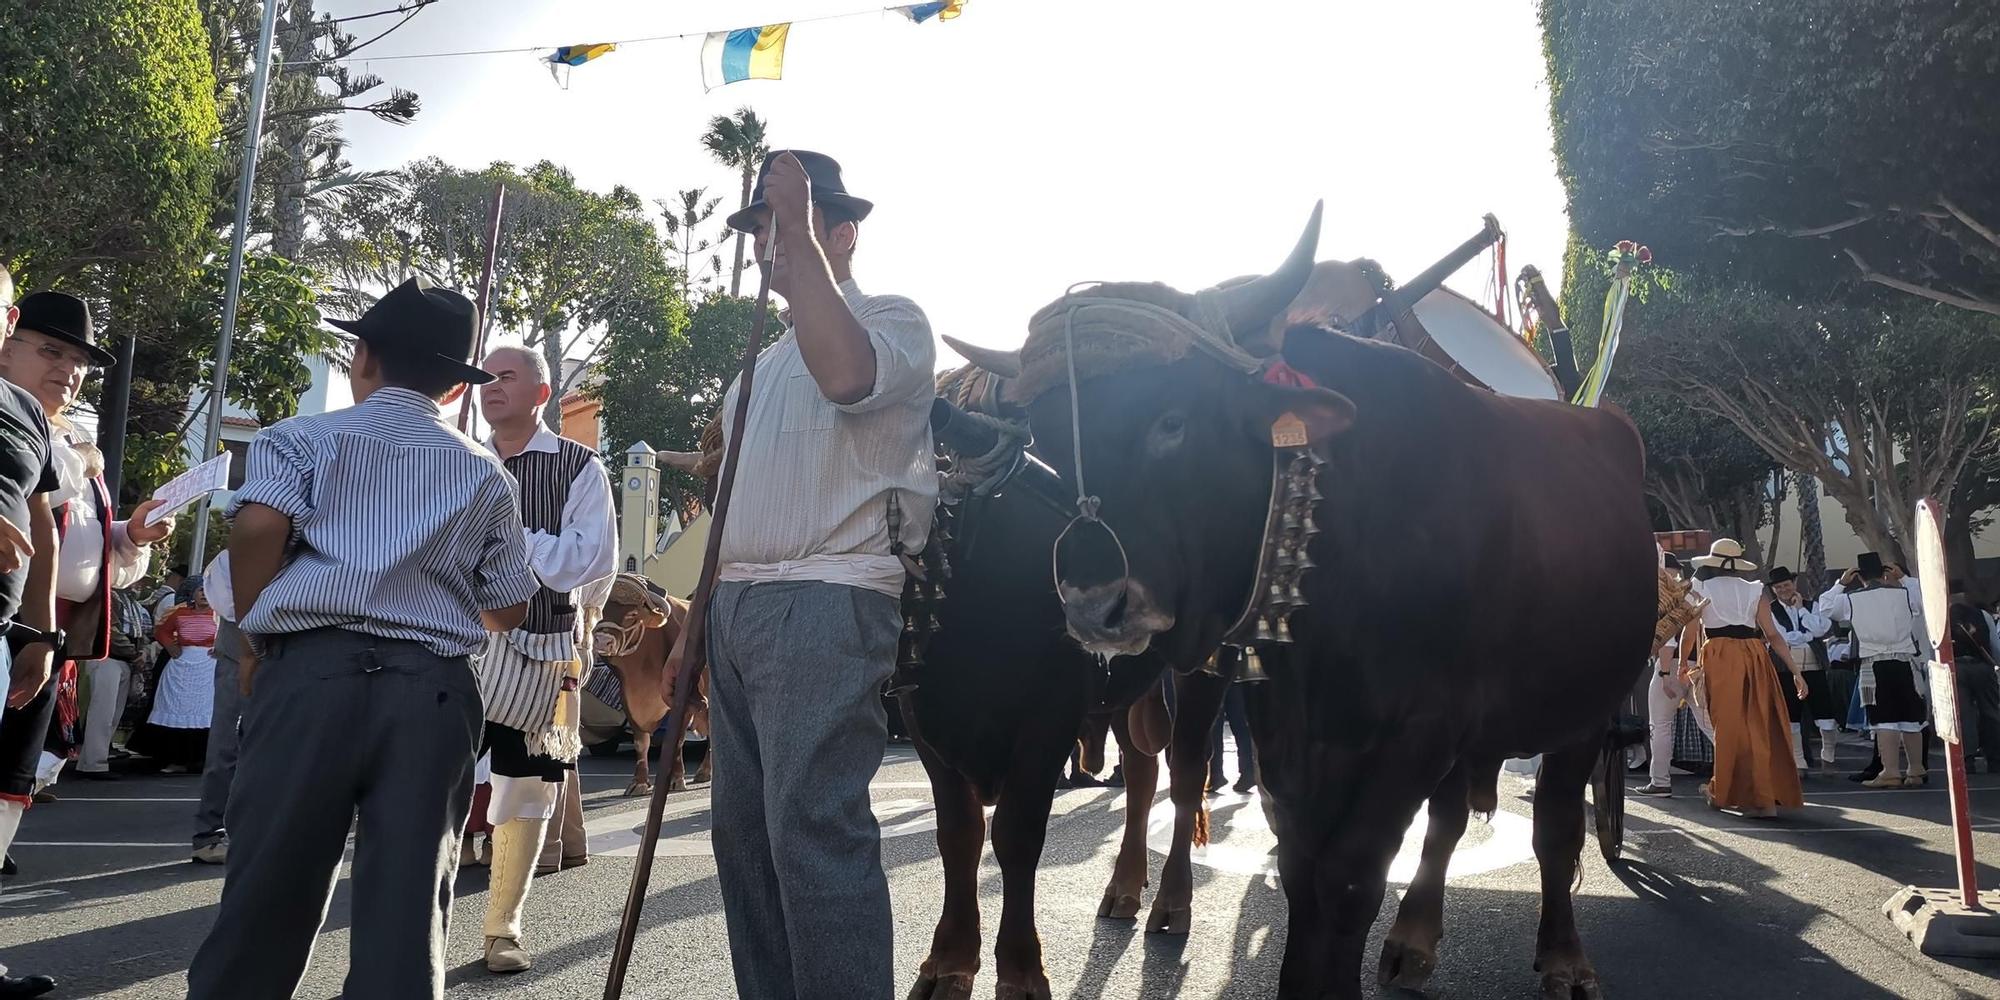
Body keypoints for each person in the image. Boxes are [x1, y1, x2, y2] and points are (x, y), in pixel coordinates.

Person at [185, 277, 535, 1000]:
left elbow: (257, 526)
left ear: (364, 356)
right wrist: (435, 594)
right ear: (453, 388)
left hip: (309, 670)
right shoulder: (485, 472)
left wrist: (253, 633)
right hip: (431, 688)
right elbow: (509, 605)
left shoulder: (299, 438)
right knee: (408, 902)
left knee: (269, 888)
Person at [670, 149, 937, 1000]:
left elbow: (849, 377)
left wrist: (799, 233)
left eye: (787, 222)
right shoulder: (754, 369)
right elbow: (731, 505)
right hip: (737, 605)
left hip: (829, 595)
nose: (768, 242)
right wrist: (694, 619)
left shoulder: (893, 320)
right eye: (759, 228)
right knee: (744, 840)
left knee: (812, 832)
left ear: (843, 234)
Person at [467, 345, 616, 974]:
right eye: (485, 377)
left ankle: (503, 925)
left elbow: (586, 560)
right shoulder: (461, 457)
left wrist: (502, 538)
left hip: (542, 647)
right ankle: (420, 923)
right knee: (434, 777)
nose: (491, 386)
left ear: (542, 392)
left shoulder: (581, 466)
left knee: (527, 784)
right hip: (458, 641)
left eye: (507, 376)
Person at [0, 292, 173, 802]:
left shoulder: (73, 438)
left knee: (16, 779)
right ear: (7, 341)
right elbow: (33, 501)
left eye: (79, 361)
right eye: (51, 351)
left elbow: (77, 544)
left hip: (55, 629)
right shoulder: (42, 437)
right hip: (17, 616)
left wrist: (129, 536)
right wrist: (77, 462)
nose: (70, 370)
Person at [0, 264, 67, 998]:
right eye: (54, 351)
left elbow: (43, 528)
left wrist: (41, 636)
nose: (68, 371)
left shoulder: (25, 412)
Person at [1679, 539, 1806, 817]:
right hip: (1754, 654)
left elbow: (1689, 632)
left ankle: (1726, 792)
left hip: (1720, 655)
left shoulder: (1700, 588)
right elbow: (1773, 635)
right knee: (1758, 723)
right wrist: (1796, 672)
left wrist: (1681, 664)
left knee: (1727, 727)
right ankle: (1761, 797)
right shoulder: (1755, 590)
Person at [1817, 552, 1928, 788]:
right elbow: (1925, 599)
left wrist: (1841, 584)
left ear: (1859, 576)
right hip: (1905, 661)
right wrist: (1904, 578)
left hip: (1874, 663)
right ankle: (1916, 769)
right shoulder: (1904, 593)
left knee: (1884, 719)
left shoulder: (1851, 598)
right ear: (1885, 572)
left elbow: (1825, 608)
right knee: (1911, 719)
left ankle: (1890, 771)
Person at [126, 578, 216, 772]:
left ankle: (200, 760)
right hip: (181, 666)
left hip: (207, 669)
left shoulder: (219, 615)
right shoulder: (179, 613)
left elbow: (230, 634)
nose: (204, 594)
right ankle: (176, 759)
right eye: (200, 590)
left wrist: (219, 648)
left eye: (207, 590)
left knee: (204, 711)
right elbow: (161, 631)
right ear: (192, 593)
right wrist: (170, 646)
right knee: (178, 708)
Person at [191, 550, 239, 863]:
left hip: (295, 655)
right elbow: (230, 606)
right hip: (240, 652)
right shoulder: (230, 558)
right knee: (226, 749)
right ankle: (209, 834)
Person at [74, 584, 152, 779]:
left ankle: (91, 761)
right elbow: (111, 632)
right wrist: (134, 653)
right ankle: (95, 764)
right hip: (106, 658)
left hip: (123, 660)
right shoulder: (111, 596)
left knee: (111, 715)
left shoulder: (131, 602)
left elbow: (140, 633)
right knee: (102, 714)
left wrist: (140, 651)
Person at [1768, 567, 1838, 774]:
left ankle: (1828, 756)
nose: (1783, 590)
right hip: (1786, 669)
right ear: (1773, 590)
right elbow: (1783, 637)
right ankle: (1798, 761)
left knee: (1826, 715)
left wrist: (1801, 610)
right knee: (1792, 716)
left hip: (1814, 667)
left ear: (1794, 584)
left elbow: (1820, 629)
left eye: (1786, 585)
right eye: (1778, 587)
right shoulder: (1770, 610)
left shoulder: (1811, 605)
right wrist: (1807, 635)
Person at [1947, 580, 2000, 773]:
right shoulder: (1982, 614)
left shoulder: (1943, 618)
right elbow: (1994, 645)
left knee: (1963, 714)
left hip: (1956, 668)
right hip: (1982, 666)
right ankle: (1995, 758)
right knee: (1991, 712)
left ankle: (1967, 759)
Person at [1208, 684, 1255, 794]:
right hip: (1237, 679)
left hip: (1215, 679)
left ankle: (1216, 774)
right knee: (1240, 725)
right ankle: (1248, 772)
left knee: (1215, 726)